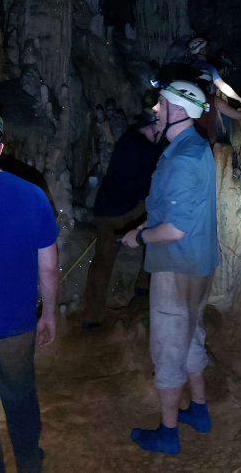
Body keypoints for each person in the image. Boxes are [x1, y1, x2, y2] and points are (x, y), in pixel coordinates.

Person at [121, 80, 218, 455]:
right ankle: (199, 409)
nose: (156, 110)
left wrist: (141, 238)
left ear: (178, 109)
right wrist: (144, 225)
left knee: (167, 346)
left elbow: (175, 229)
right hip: (200, 262)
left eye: (161, 104)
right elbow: (178, 211)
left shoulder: (180, 159)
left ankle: (168, 432)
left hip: (176, 269)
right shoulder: (195, 147)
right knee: (191, 333)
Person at [0, 98, 59, 473]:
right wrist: (49, 314)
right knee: (21, 397)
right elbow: (49, 268)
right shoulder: (32, 195)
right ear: (0, 147)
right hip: (17, 328)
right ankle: (29, 462)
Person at [82, 108, 162, 329]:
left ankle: (91, 317)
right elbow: (153, 182)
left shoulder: (128, 138)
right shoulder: (147, 149)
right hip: (126, 211)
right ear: (152, 126)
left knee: (102, 262)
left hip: (105, 210)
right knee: (158, 223)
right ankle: (144, 283)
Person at [195, 70, 241, 146]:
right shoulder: (213, 100)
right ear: (209, 85)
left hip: (195, 142)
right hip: (209, 143)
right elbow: (237, 115)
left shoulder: (190, 101)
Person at [188, 37, 241, 111]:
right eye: (205, 47)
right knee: (226, 117)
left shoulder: (190, 66)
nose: (207, 49)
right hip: (206, 103)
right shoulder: (207, 67)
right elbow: (223, 86)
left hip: (192, 105)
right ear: (201, 49)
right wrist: (240, 99)